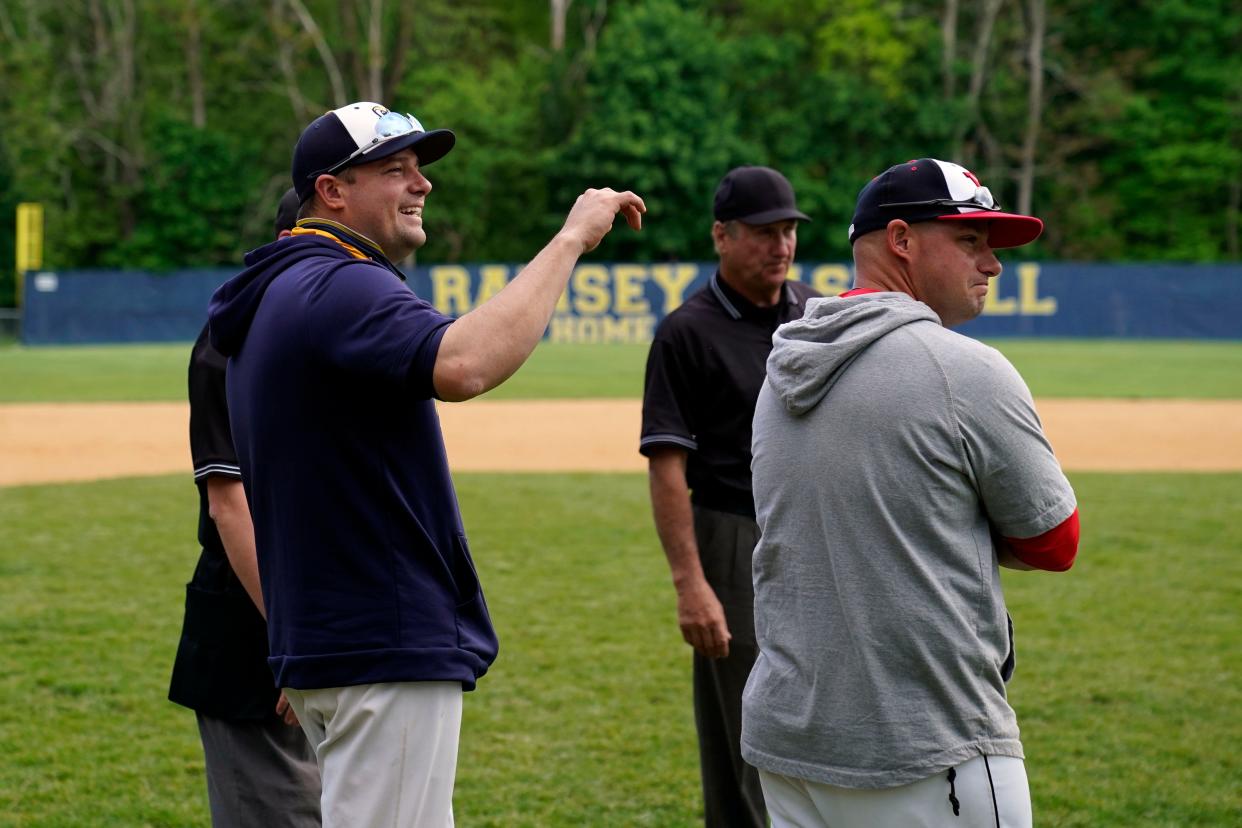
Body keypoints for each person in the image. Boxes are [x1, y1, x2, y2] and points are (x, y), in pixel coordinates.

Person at [206, 101, 644, 827]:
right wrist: (570, 240)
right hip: (382, 639)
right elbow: (466, 364)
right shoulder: (340, 281)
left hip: (326, 640)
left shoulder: (277, 289)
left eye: (420, 168)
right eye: (394, 169)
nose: (421, 184)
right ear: (332, 191)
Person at [742, 158, 1081, 827]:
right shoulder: (966, 370)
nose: (993, 265)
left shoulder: (782, 366)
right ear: (901, 240)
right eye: (971, 241)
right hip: (927, 747)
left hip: (789, 743)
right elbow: (1054, 541)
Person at [640, 166, 818, 828]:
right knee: (743, 723)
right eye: (764, 233)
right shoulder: (688, 331)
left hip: (815, 530)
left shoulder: (816, 313)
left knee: (825, 704)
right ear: (722, 235)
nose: (781, 246)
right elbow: (665, 464)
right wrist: (691, 584)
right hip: (732, 531)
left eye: (789, 232)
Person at [169, 186, 321, 827]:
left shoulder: (331, 327)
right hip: (256, 629)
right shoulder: (229, 340)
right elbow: (231, 507)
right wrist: (292, 643)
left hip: (326, 632)